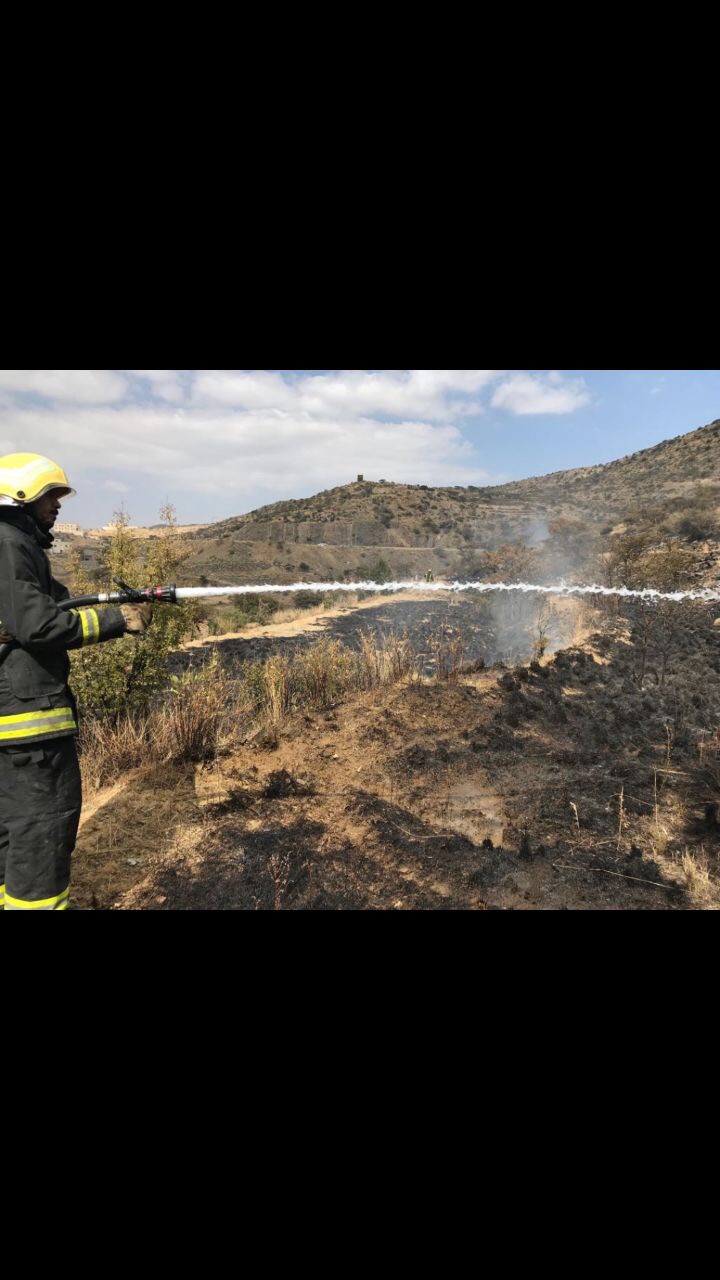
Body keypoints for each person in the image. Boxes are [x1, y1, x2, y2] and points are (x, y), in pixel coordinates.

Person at [0, 453, 153, 911]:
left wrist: (115, 605)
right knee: (43, 829)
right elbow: (39, 626)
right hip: (29, 724)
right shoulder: (9, 545)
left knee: (12, 832)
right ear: (21, 497)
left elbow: (54, 606)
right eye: (51, 496)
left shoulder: (21, 548)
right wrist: (116, 621)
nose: (58, 506)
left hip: (15, 722)